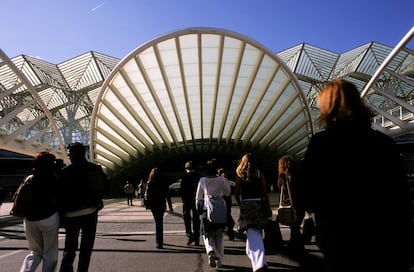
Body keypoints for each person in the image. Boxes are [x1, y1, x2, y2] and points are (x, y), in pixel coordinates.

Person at [298, 79, 413, 272]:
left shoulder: (322, 144)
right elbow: (401, 197)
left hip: (339, 238)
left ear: (328, 109)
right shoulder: (384, 144)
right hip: (383, 239)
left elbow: (307, 195)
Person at [57, 142, 108, 272]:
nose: (69, 156)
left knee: (70, 246)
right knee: (86, 247)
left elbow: (60, 194)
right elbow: (104, 188)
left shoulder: (65, 172)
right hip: (90, 212)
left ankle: (66, 269)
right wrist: (97, 200)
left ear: (74, 154)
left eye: (70, 153)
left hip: (71, 214)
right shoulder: (94, 168)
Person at [19, 151, 60, 272]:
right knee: (50, 254)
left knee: (35, 252)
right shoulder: (53, 179)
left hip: (30, 219)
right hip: (48, 217)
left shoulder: (29, 178)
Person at [235, 153, 272, 272]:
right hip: (258, 203)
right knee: (256, 230)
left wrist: (240, 203)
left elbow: (236, 191)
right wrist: (268, 206)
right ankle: (256, 258)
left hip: (246, 203)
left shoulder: (240, 173)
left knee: (251, 230)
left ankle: (259, 264)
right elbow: (265, 191)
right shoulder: (259, 172)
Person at [195, 159, 231, 268]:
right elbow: (228, 193)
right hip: (220, 209)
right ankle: (219, 261)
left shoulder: (203, 180)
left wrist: (198, 208)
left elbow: (198, 197)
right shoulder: (222, 179)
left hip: (207, 210)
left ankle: (210, 250)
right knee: (219, 235)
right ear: (216, 169)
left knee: (207, 234)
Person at [277, 155, 305, 259]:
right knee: (296, 226)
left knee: (294, 227)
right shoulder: (298, 174)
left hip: (289, 204)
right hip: (300, 203)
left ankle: (295, 248)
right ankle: (296, 247)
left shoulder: (282, 176)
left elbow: (279, 186)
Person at [144, 167, 169, 249]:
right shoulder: (163, 182)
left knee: (157, 222)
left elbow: (147, 195)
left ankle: (159, 242)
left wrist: (147, 204)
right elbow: (166, 194)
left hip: (153, 205)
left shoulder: (150, 182)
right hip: (161, 204)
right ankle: (160, 241)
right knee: (160, 222)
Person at [180, 161, 201, 246]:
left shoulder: (185, 177)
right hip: (196, 200)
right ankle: (197, 239)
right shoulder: (199, 176)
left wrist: (183, 199)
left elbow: (182, 190)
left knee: (186, 217)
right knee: (196, 219)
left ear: (186, 169)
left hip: (187, 200)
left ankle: (189, 234)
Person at [217, 167, 235, 241]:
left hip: (224, 202)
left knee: (226, 218)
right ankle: (230, 234)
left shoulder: (220, 181)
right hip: (225, 201)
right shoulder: (226, 182)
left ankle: (227, 233)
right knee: (228, 219)